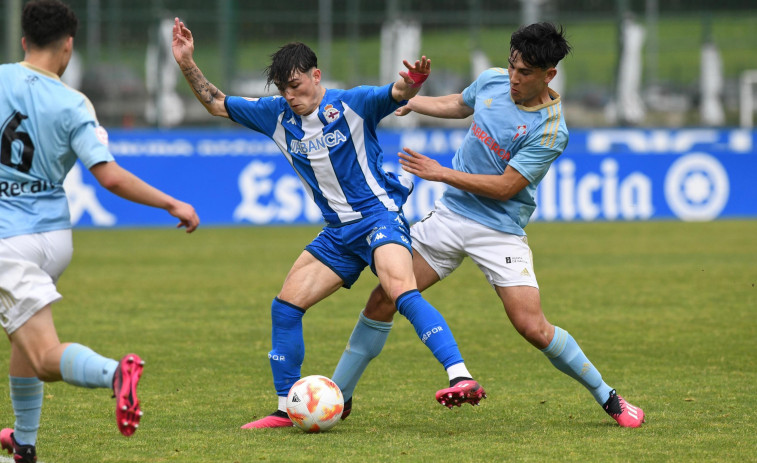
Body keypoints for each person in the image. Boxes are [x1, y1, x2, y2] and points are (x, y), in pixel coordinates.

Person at [172, 18, 485, 429]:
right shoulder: (276, 116)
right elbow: (216, 102)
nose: (291, 96)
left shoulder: (354, 103)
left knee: (399, 291)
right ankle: (287, 408)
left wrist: (414, 83)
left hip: (378, 218)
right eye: (283, 89)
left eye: (297, 85)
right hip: (337, 234)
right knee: (285, 307)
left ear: (316, 75)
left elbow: (396, 92)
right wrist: (186, 62)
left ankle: (460, 376)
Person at [332, 22, 645, 428]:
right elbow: (462, 104)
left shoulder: (551, 131)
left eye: (526, 72)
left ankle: (609, 397)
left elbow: (504, 187)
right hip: (449, 219)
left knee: (532, 326)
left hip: (499, 230)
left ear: (549, 75)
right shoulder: (493, 81)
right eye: (512, 66)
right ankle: (340, 396)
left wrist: (440, 173)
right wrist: (412, 102)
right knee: (384, 298)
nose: (515, 78)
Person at [0, 1, 200, 461]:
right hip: (52, 240)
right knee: (21, 336)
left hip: (9, 240)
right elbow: (108, 176)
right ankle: (24, 444)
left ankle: (116, 374)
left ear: (24, 40)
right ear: (68, 46)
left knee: (44, 355)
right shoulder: (75, 104)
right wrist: (172, 201)